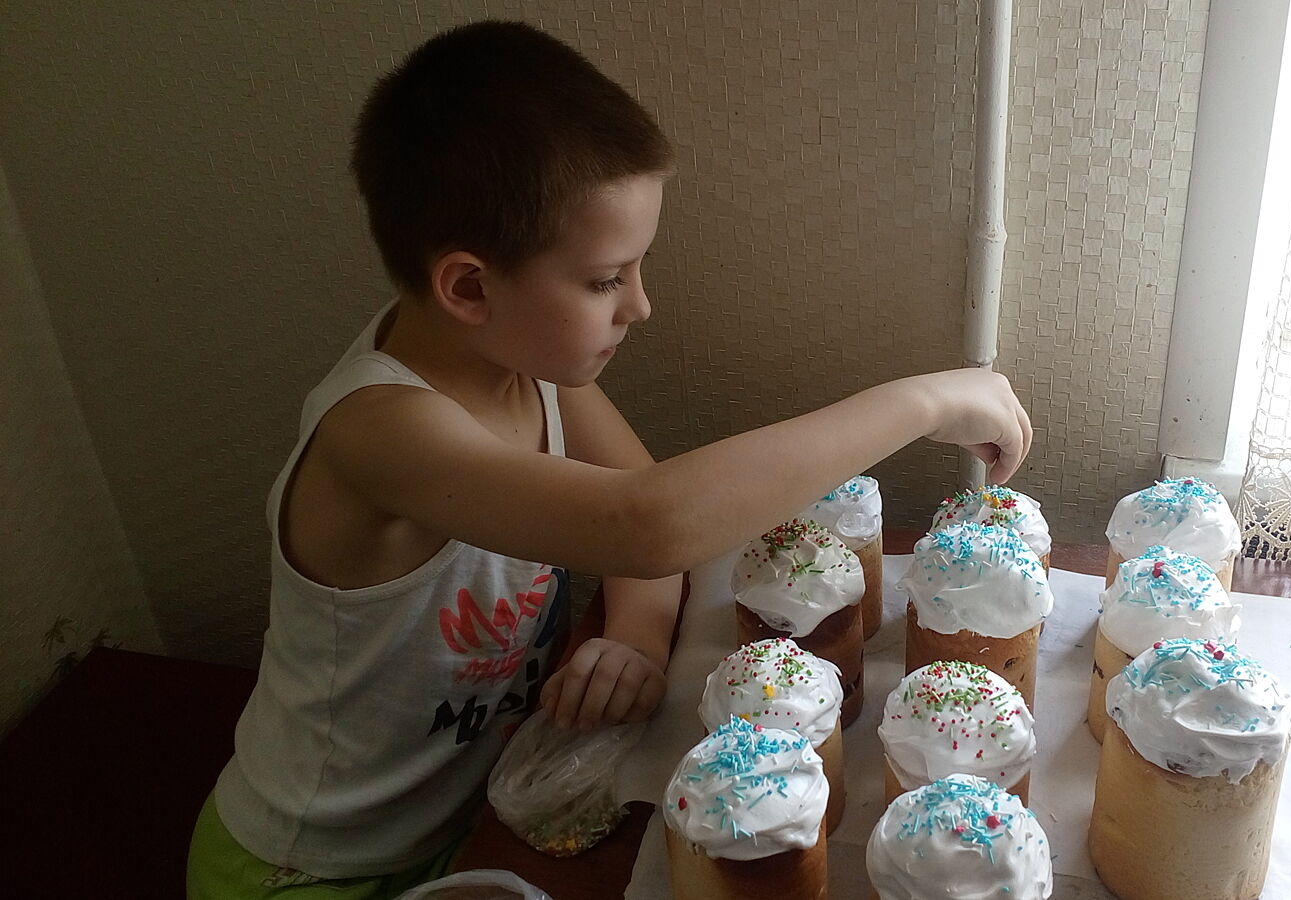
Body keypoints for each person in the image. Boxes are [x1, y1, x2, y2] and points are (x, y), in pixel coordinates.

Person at [187, 19, 1032, 898]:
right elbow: (649, 525)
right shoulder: (382, 432)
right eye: (604, 280)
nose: (640, 306)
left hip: (491, 810)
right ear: (469, 287)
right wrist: (919, 402)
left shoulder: (525, 366)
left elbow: (643, 519)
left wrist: (633, 637)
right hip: (310, 869)